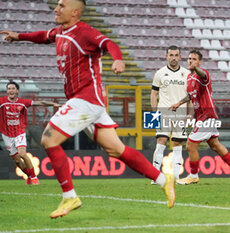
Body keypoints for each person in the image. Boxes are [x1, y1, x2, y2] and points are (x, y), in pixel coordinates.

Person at [0, 0, 175, 219]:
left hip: (87, 99)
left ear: (75, 12)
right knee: (116, 150)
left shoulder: (85, 32)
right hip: (86, 102)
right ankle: (163, 179)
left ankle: (70, 196)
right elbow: (43, 36)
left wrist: (118, 60)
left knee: (48, 140)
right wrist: (19, 36)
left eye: (62, 6)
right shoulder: (60, 32)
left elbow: (110, 44)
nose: (56, 9)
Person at [169, 50, 230, 185]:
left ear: (200, 62)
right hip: (201, 117)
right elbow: (191, 96)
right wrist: (179, 103)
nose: (190, 61)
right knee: (214, 145)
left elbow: (202, 74)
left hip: (207, 116)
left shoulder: (203, 75)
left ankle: (193, 175)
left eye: (194, 59)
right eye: (189, 59)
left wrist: (196, 68)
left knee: (191, 144)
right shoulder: (189, 78)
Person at [0, 81, 60, 185]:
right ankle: (29, 176)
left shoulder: (23, 102)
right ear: (7, 91)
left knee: (23, 154)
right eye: (9, 89)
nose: (11, 90)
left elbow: (40, 103)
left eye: (13, 88)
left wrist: (53, 104)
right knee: (17, 161)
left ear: (17, 91)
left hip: (19, 132)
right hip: (6, 135)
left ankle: (33, 177)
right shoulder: (2, 102)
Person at [150, 45, 190, 182]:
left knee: (178, 144)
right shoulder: (160, 73)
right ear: (166, 56)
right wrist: (154, 112)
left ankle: (176, 176)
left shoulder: (187, 74)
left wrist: (190, 114)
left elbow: (190, 96)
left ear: (180, 56)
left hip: (181, 113)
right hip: (163, 112)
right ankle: (155, 176)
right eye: (171, 55)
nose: (173, 58)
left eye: (176, 55)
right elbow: (154, 94)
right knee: (161, 141)